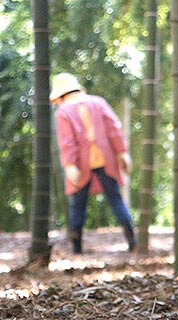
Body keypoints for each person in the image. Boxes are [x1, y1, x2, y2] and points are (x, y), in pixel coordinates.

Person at [50, 72, 136, 254]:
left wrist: (70, 165)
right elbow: (114, 129)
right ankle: (132, 240)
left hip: (81, 164)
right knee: (115, 199)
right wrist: (122, 152)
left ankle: (77, 248)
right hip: (105, 159)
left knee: (78, 204)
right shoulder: (98, 102)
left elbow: (68, 142)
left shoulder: (63, 111)